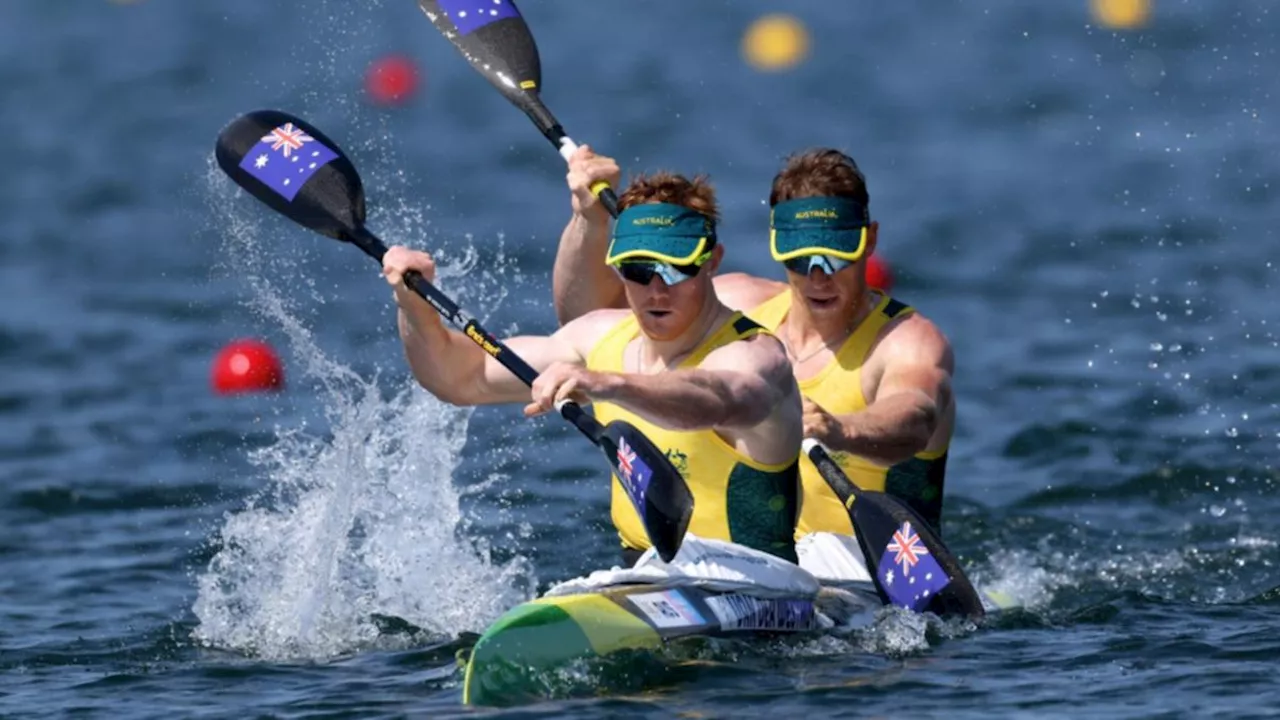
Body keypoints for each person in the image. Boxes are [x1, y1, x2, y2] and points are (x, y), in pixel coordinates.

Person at [382, 171, 805, 566]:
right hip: (640, 570)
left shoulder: (754, 354)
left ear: (712, 260)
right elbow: (459, 378)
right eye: (638, 270)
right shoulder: (599, 338)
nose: (656, 290)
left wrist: (607, 384)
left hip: (759, 589)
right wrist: (413, 308)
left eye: (677, 268)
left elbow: (717, 399)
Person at [553, 147, 955, 548]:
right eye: (801, 258)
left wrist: (840, 429)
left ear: (869, 242)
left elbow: (914, 418)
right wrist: (588, 219)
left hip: (867, 570)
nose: (818, 277)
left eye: (835, 258)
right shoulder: (739, 304)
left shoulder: (908, 340)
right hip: (760, 571)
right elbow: (587, 324)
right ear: (777, 244)